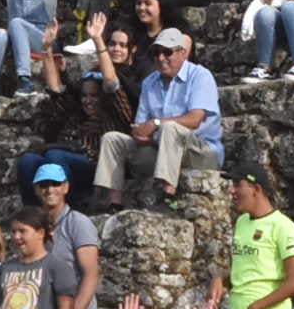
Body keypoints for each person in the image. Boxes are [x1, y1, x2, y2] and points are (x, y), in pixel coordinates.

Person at [92, 30, 223, 207]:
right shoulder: (150, 82)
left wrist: (155, 124)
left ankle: (168, 195)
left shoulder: (200, 76)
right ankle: (113, 202)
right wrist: (140, 132)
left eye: (167, 52)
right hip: (159, 149)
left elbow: (195, 120)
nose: (161, 58)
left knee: (169, 128)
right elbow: (140, 125)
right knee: (112, 139)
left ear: (182, 53)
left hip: (200, 152)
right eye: (156, 53)